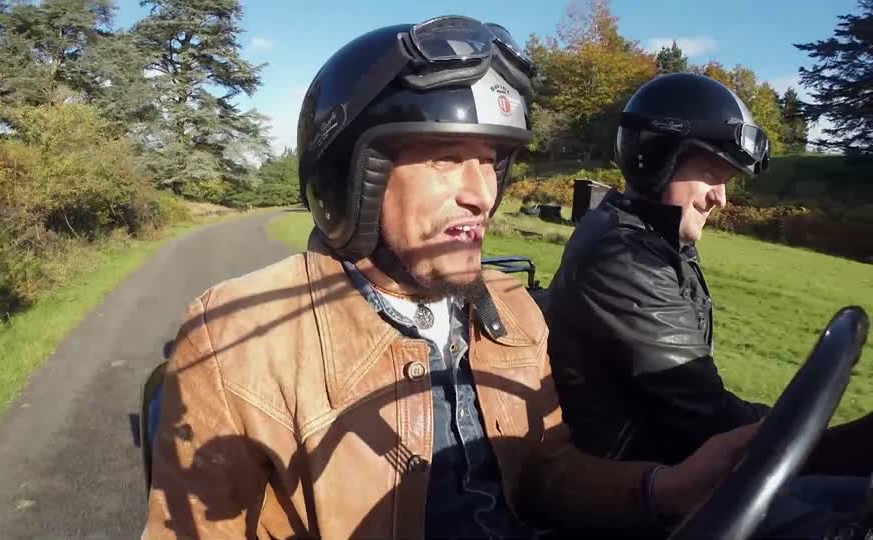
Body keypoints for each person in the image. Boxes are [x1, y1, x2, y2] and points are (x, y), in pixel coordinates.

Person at [140, 21, 809, 540]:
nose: (481, 193)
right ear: (350, 179)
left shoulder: (511, 309)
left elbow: (547, 474)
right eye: (444, 157)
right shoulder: (237, 340)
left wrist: (665, 489)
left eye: (491, 160)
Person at [544, 72, 872, 536]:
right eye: (713, 175)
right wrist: (830, 439)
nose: (720, 197)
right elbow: (705, 416)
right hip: (649, 497)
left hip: (675, 464)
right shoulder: (623, 257)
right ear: (657, 158)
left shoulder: (653, 240)